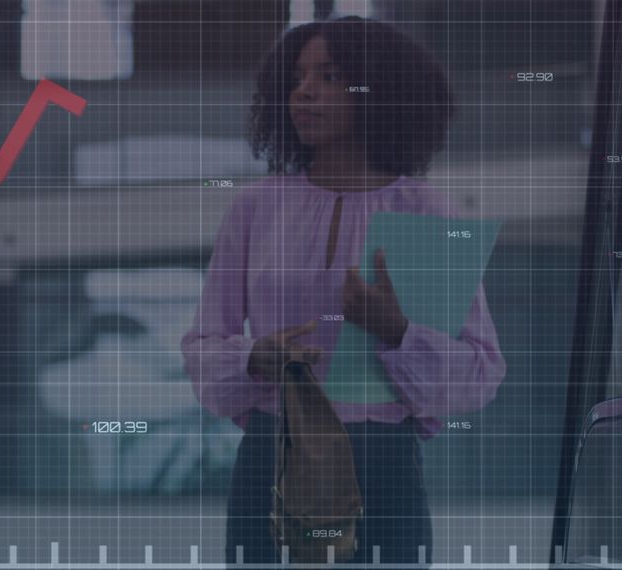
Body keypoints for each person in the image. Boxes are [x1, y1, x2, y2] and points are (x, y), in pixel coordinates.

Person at [179, 17, 507, 566]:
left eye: (329, 77)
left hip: (380, 463)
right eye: (299, 77)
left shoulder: (426, 212)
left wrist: (397, 333)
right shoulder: (255, 208)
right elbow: (202, 346)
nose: (303, 91)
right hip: (272, 452)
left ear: (380, 89)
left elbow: (481, 372)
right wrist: (256, 355)